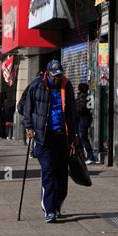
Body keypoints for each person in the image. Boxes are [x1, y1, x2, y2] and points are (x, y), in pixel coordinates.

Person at [23, 60, 77, 223]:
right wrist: (29, 127)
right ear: (48, 73)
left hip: (62, 136)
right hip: (43, 138)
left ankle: (56, 205)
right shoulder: (36, 86)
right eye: (55, 75)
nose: (58, 78)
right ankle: (49, 209)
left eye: (60, 75)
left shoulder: (66, 86)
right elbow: (26, 108)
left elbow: (71, 112)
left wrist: (73, 137)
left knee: (61, 175)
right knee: (48, 172)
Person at [75, 83, 95, 164]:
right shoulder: (86, 96)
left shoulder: (83, 97)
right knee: (81, 137)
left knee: (83, 137)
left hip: (83, 118)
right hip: (84, 118)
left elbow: (81, 108)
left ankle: (90, 156)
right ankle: (84, 156)